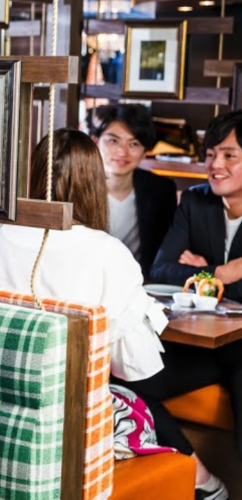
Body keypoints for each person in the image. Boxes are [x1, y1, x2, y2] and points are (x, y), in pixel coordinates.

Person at [0, 129, 226, 498]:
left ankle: (203, 478)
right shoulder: (107, 252)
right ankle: (203, 479)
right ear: (95, 184)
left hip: (1, 400)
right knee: (144, 386)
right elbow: (135, 368)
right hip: (72, 412)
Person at [148, 110, 242, 460]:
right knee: (125, 379)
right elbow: (160, 271)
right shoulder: (195, 200)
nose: (215, 164)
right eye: (211, 154)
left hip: (240, 346)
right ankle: (198, 475)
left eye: (229, 155)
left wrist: (202, 275)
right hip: (199, 344)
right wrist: (224, 273)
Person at [89, 103, 177, 277]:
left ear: (145, 151)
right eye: (113, 141)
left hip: (139, 286)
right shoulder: (75, 185)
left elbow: (163, 254)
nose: (122, 152)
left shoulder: (161, 191)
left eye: (134, 143)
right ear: (95, 142)